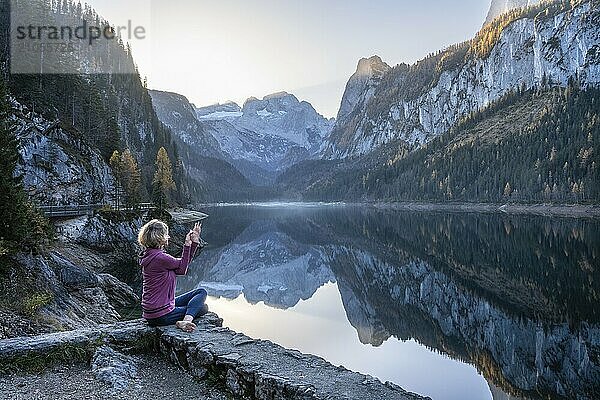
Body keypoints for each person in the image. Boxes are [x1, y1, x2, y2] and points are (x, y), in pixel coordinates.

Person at [138, 219, 207, 332]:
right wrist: (188, 245)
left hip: (153, 311)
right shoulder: (161, 258)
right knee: (202, 307)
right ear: (161, 237)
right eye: (166, 234)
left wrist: (193, 243)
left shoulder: (149, 255)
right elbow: (183, 268)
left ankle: (184, 317)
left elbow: (180, 268)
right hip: (161, 314)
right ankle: (186, 321)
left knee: (200, 292)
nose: (168, 237)